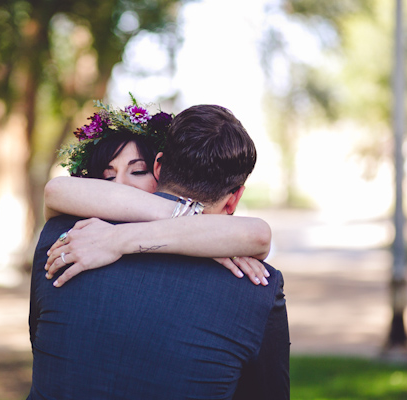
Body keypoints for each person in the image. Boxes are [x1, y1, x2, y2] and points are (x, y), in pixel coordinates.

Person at [27, 104, 290, 399]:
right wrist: (202, 225)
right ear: (234, 199)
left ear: (158, 166)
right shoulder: (256, 284)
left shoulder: (66, 240)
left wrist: (118, 239)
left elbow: (40, 340)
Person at [43, 102, 272, 287]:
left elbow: (259, 234)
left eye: (137, 171)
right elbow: (55, 189)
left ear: (158, 171)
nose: (120, 186)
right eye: (108, 177)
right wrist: (201, 224)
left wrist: (117, 240)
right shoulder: (78, 236)